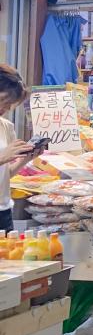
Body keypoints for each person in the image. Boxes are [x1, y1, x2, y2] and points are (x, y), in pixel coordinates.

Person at [0, 65, 34, 233]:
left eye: (9, 105)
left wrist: (26, 159)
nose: (4, 109)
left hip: (4, 211)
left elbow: (5, 174)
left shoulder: (6, 127)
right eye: (2, 102)